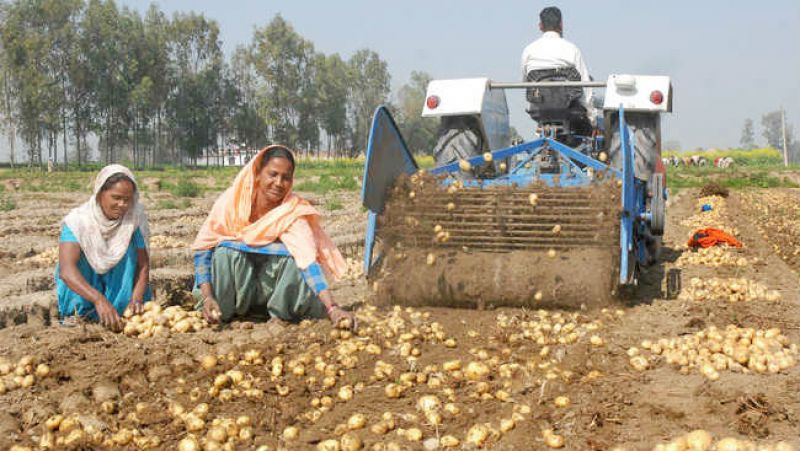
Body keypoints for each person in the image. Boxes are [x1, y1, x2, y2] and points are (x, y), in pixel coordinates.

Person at [191, 145, 354, 328]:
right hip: (238, 291)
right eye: (273, 174)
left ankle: (281, 316)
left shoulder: (292, 211)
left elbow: (308, 262)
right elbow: (203, 249)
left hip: (274, 294)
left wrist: (332, 308)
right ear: (258, 173)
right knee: (224, 253)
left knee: (295, 261)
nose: (278, 183)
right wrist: (207, 296)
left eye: (286, 177)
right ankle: (217, 310)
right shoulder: (232, 202)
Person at [56, 165, 151, 330]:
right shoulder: (79, 221)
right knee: (78, 259)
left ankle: (121, 310)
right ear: (100, 193)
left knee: (129, 251)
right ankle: (79, 315)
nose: (122, 204)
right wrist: (98, 299)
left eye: (127, 199)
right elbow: (67, 270)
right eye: (116, 197)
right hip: (86, 295)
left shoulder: (133, 219)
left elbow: (143, 265)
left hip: (122, 299)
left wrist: (136, 297)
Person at [520, 6, 595, 119]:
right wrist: (591, 117)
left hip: (539, 110)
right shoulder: (572, 49)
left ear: (540, 26)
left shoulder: (529, 50)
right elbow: (585, 85)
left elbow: (526, 82)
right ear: (561, 25)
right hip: (570, 111)